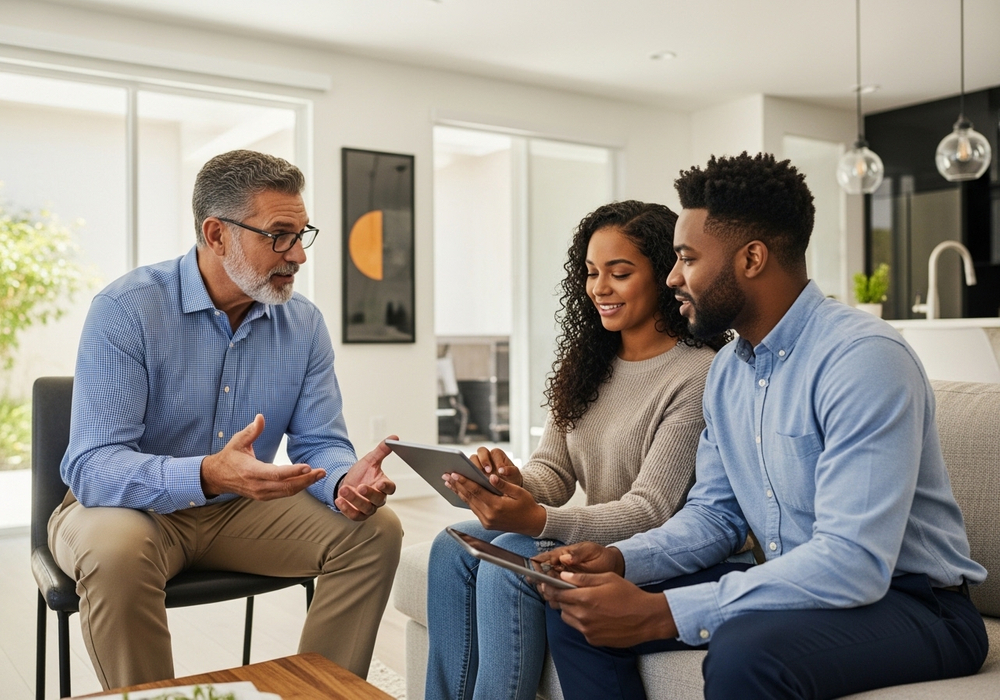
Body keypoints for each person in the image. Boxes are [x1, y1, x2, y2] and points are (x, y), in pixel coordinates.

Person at [538, 152, 989, 700]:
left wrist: (661, 613)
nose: (674, 277)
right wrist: (621, 559)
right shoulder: (729, 370)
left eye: (687, 259)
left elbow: (854, 563)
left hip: (914, 603)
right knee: (581, 612)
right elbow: (714, 516)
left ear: (752, 258)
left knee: (748, 650)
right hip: (803, 582)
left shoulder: (862, 358)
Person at [49, 149, 403, 689]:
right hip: (126, 510)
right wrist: (206, 475)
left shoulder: (303, 324)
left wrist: (342, 480)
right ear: (217, 235)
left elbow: (320, 442)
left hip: (239, 510)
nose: (298, 257)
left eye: (302, 235)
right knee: (116, 554)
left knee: (375, 530)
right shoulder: (126, 308)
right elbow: (93, 467)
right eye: (279, 235)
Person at [424, 200, 731, 700]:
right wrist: (510, 481)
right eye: (590, 273)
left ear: (664, 275)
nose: (600, 288)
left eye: (620, 272)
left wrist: (537, 522)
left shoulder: (696, 372)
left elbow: (652, 510)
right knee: (449, 545)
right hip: (601, 527)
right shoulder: (589, 363)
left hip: (652, 545)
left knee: (511, 558)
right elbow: (554, 471)